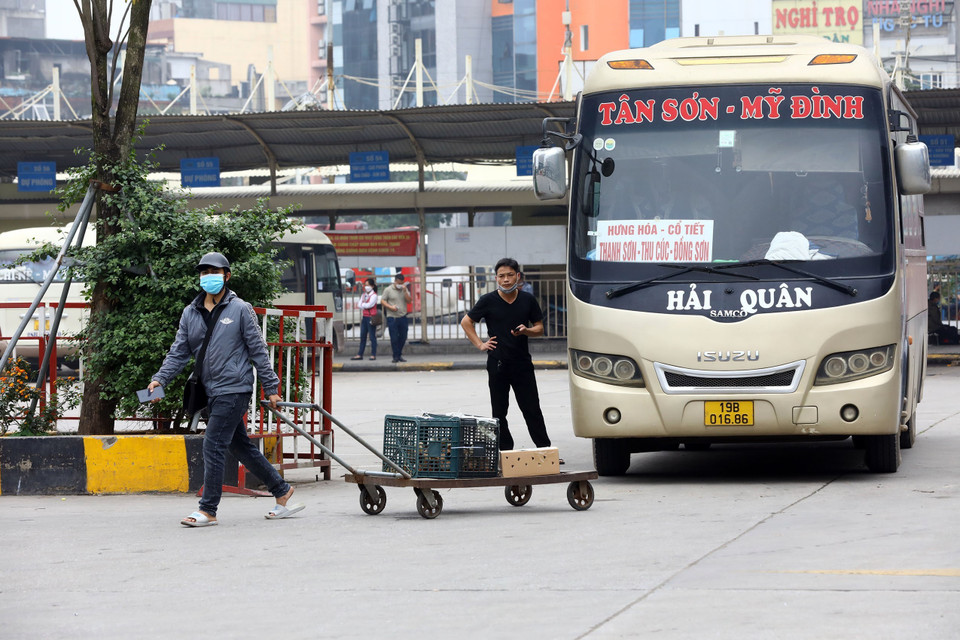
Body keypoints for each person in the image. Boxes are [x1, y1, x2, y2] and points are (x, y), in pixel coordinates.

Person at [147, 252, 304, 527]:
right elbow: (179, 352)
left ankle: (208, 509)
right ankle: (281, 490)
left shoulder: (240, 309)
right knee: (240, 447)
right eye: (204, 272)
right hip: (209, 391)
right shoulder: (190, 312)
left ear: (227, 276)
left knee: (214, 443)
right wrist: (160, 379)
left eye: (214, 272)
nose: (208, 277)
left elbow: (257, 350)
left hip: (234, 388)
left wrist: (271, 387)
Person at [460, 258, 560, 460]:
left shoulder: (527, 300)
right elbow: (466, 322)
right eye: (501, 276)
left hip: (522, 363)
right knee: (499, 411)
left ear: (518, 276)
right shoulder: (488, 300)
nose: (506, 280)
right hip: (497, 363)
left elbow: (540, 328)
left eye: (510, 275)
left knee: (532, 408)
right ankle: (506, 452)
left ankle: (545, 450)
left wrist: (527, 330)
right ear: (496, 278)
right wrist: (481, 344)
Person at [380, 273, 412, 363]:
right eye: (398, 283)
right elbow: (382, 301)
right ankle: (396, 356)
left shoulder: (404, 290)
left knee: (403, 336)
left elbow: (409, 301)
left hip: (402, 316)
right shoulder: (388, 290)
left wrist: (405, 291)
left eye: (402, 283)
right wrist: (390, 307)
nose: (400, 285)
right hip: (392, 317)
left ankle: (399, 354)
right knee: (394, 338)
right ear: (395, 281)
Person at [352, 277, 379, 360]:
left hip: (371, 317)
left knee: (372, 337)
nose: (366, 287)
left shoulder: (374, 295)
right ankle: (360, 354)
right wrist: (364, 305)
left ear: (372, 286)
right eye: (365, 285)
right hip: (365, 317)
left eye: (368, 285)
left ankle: (373, 354)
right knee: (362, 336)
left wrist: (363, 305)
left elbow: (369, 305)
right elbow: (359, 305)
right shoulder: (364, 295)